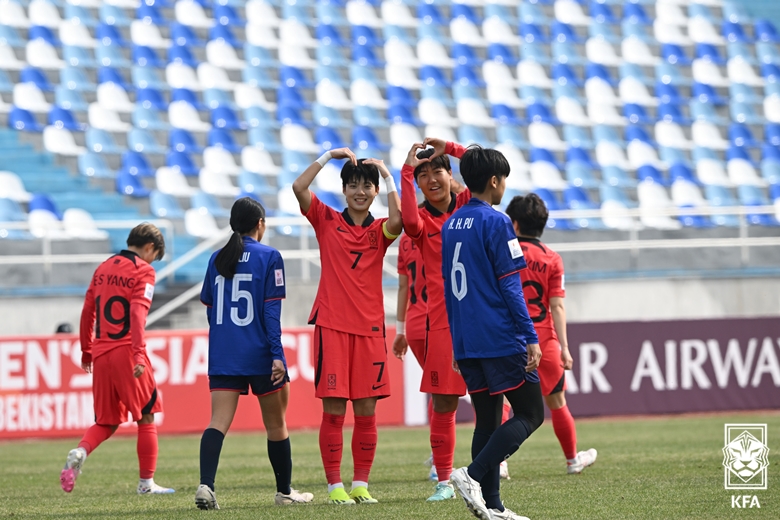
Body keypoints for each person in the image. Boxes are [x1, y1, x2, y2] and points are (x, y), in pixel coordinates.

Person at [292, 148, 402, 505]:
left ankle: (360, 485)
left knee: (367, 411)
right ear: (343, 190)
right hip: (332, 328)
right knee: (335, 410)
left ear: (373, 192)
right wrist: (328, 156)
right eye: (353, 185)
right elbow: (299, 186)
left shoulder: (379, 230)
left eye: (365, 186)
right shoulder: (325, 220)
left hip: (370, 329)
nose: (359, 191)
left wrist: (387, 176)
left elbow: (402, 221)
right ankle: (335, 486)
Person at [441, 146, 544, 520]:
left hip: (468, 338)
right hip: (499, 334)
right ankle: (471, 474)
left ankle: (494, 507)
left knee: (487, 418)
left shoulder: (451, 223)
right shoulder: (497, 221)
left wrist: (456, 339)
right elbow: (511, 285)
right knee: (531, 413)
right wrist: (530, 335)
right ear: (496, 181)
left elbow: (448, 288)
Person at [196, 197, 314, 510]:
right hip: (260, 352)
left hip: (224, 352)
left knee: (217, 422)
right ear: (260, 224)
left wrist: (224, 339)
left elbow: (210, 309)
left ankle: (206, 486)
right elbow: (270, 311)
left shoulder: (216, 259)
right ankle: (284, 491)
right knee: (276, 424)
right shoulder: (270, 256)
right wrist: (277, 353)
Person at [61, 223, 174, 495]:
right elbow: (137, 313)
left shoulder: (103, 267)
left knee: (106, 421)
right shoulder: (143, 271)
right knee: (146, 415)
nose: (152, 262)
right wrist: (138, 353)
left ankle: (80, 451)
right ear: (150, 248)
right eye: (155, 257)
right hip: (126, 351)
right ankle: (146, 484)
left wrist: (86, 349)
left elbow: (89, 308)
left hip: (100, 353)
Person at [399, 138, 472, 502]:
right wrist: (405, 171)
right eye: (423, 174)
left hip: (483, 319)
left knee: (494, 400)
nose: (431, 179)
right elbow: (408, 218)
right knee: (444, 403)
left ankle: (486, 467)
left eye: (437, 171)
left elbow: (482, 165)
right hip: (444, 324)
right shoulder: (422, 222)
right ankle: (445, 480)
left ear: (450, 175)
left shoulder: (468, 207)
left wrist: (449, 146)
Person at [505, 194, 597, 475]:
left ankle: (499, 463)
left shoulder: (503, 251)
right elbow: (556, 305)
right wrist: (565, 348)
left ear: (515, 222)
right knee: (557, 402)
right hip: (544, 338)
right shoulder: (553, 259)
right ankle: (572, 461)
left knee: (503, 402)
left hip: (508, 336)